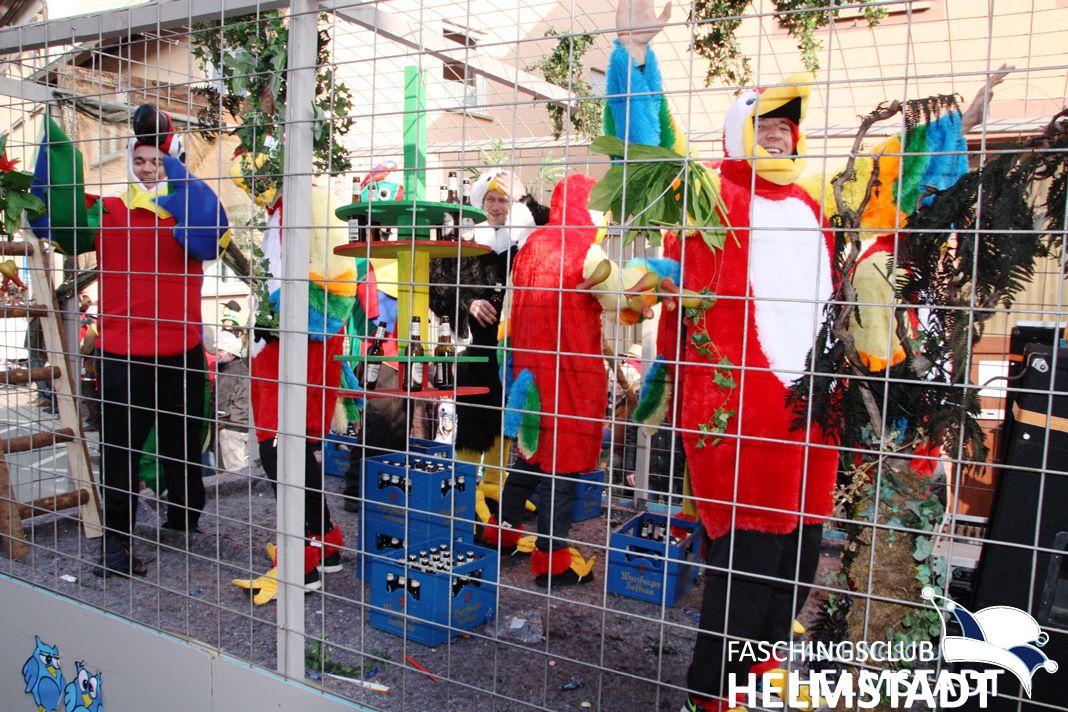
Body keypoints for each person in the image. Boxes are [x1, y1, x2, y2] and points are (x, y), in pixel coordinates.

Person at [609, 3, 1005, 710]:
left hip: (811, 415)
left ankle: (758, 674)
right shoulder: (710, 195)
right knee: (745, 559)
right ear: (739, 132)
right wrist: (634, 56)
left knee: (798, 554)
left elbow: (885, 174)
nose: (779, 135)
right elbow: (649, 155)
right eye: (765, 125)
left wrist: (953, 129)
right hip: (738, 418)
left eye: (787, 127)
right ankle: (713, 691)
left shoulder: (816, 201)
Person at [28, 104, 230, 578]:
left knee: (185, 446)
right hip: (122, 357)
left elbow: (212, 233)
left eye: (157, 160)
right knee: (120, 456)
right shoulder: (109, 211)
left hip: (181, 355)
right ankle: (115, 550)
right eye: (139, 160)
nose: (147, 168)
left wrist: (174, 174)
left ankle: (184, 519)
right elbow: (55, 222)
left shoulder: (189, 210)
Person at [494, 173, 673, 587]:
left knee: (529, 457)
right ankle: (552, 562)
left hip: (530, 376)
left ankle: (499, 535)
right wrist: (654, 287)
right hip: (569, 378)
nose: (604, 221)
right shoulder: (586, 253)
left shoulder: (531, 245)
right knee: (563, 466)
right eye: (602, 212)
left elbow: (512, 308)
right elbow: (621, 299)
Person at [428, 169, 547, 538]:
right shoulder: (461, 238)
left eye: (503, 200)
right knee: (473, 413)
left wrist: (524, 197)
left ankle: (495, 483)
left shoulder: (521, 237)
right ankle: (465, 486)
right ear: (479, 202)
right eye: (490, 199)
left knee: (503, 412)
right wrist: (469, 302)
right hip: (469, 343)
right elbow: (435, 286)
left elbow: (550, 219)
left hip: (510, 344)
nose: (496, 207)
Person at [214, 330, 251, 473]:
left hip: (231, 428)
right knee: (244, 469)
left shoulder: (228, 374)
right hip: (245, 425)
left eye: (220, 350)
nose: (217, 354)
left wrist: (220, 425)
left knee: (235, 472)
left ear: (230, 353)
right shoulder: (244, 369)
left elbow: (221, 403)